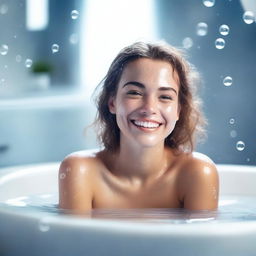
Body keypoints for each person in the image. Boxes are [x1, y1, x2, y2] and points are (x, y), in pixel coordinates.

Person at [59, 41, 219, 213]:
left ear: (178, 110)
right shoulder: (79, 170)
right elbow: (74, 240)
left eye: (165, 96)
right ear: (112, 102)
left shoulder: (197, 173)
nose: (149, 109)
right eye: (135, 93)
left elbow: (199, 240)